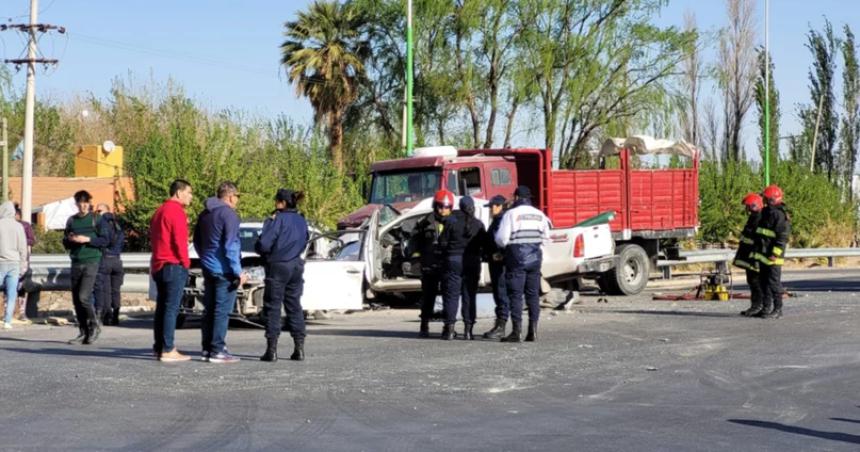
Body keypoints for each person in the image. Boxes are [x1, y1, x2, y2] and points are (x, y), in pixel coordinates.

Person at [194, 181, 247, 363]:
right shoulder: (229, 215)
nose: (237, 200)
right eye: (237, 197)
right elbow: (231, 245)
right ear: (231, 196)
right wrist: (238, 272)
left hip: (209, 269)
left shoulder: (204, 214)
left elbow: (197, 242)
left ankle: (207, 349)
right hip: (224, 271)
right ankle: (218, 350)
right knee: (221, 311)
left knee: (209, 310)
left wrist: (205, 259)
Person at [255, 189, 310, 362]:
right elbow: (305, 240)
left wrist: (260, 246)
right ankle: (299, 348)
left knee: (273, 306)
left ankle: (271, 350)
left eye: (276, 201)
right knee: (294, 305)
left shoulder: (277, 220)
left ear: (282, 203)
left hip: (278, 265)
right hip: (296, 265)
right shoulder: (302, 220)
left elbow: (264, 244)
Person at [494, 186, 550, 343]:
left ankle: (516, 332)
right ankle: (533, 331)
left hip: (516, 258)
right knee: (533, 295)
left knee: (516, 295)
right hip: (535, 260)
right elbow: (546, 238)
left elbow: (502, 238)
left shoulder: (511, 214)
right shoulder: (540, 214)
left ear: (517, 197)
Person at [150, 179, 194, 362]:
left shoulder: (159, 211)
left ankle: (159, 346)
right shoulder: (176, 211)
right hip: (173, 264)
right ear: (178, 192)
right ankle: (168, 349)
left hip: (159, 264)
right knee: (171, 309)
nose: (191, 196)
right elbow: (180, 241)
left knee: (162, 308)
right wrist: (186, 263)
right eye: (189, 192)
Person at [63, 190, 109, 344]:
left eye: (85, 202)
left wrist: (87, 239)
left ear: (89, 203)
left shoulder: (96, 219)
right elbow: (65, 242)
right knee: (76, 299)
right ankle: (83, 331)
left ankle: (94, 326)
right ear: (76, 204)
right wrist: (71, 240)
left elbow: (105, 240)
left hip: (92, 261)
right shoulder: (71, 221)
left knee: (84, 296)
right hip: (76, 261)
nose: (83, 206)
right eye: (80, 203)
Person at [410, 189, 454, 338]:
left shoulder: (455, 222)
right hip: (429, 265)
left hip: (447, 265)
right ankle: (424, 324)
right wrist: (414, 257)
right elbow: (414, 242)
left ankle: (448, 326)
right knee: (428, 296)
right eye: (440, 206)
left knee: (449, 297)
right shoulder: (424, 223)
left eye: (447, 207)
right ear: (435, 206)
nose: (443, 210)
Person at [752, 184, 791, 319]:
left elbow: (782, 237)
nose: (764, 201)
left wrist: (775, 253)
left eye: (766, 199)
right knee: (764, 282)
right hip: (764, 254)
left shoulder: (779, 215)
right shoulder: (766, 213)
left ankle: (778, 309)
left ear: (772, 200)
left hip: (773, 256)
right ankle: (766, 308)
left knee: (774, 283)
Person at [450, 196, 485, 340]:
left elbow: (444, 242)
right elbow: (485, 244)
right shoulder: (478, 224)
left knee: (452, 295)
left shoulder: (452, 222)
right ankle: (468, 330)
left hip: (454, 261)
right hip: (473, 262)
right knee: (470, 296)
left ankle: (450, 329)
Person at [481, 195, 510, 339]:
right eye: (491, 206)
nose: (491, 209)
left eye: (494, 206)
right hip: (495, 264)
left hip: (500, 265)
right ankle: (499, 325)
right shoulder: (497, 221)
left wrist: (499, 256)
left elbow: (505, 242)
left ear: (501, 206)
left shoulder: (502, 221)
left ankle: (501, 327)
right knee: (498, 294)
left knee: (501, 293)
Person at [93, 204, 125, 326]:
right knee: (116, 290)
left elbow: (102, 241)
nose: (97, 212)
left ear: (106, 211)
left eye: (99, 210)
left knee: (105, 290)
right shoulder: (118, 224)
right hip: (117, 260)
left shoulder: (101, 224)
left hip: (105, 259)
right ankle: (116, 316)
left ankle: (107, 317)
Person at [734, 193, 763, 317]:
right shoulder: (754, 217)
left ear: (754, 206)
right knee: (752, 281)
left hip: (754, 256)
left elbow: (757, 238)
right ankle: (756, 306)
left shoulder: (759, 218)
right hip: (750, 255)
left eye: (748, 206)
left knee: (756, 282)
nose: (746, 209)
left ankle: (758, 306)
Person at [0, 201, 28, 330]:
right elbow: (23, 247)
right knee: (12, 294)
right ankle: (7, 321)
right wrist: (23, 264)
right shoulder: (19, 227)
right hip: (14, 263)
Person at [13, 203, 35, 324]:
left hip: (22, 259)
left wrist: (20, 239)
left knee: (22, 285)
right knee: (8, 285)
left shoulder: (25, 226)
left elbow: (32, 240)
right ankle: (8, 311)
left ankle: (22, 312)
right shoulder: (5, 226)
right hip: (8, 259)